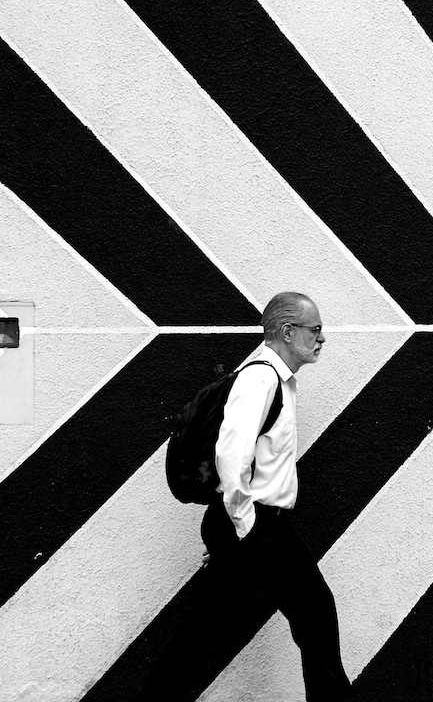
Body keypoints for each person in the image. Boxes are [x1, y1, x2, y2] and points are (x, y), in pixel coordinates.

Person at [136, 291, 352, 701]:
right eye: (316, 330)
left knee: (300, 617)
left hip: (257, 525)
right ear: (288, 332)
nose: (322, 339)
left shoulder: (278, 380)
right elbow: (231, 458)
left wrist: (231, 531)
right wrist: (244, 529)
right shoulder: (260, 378)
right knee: (309, 616)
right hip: (257, 525)